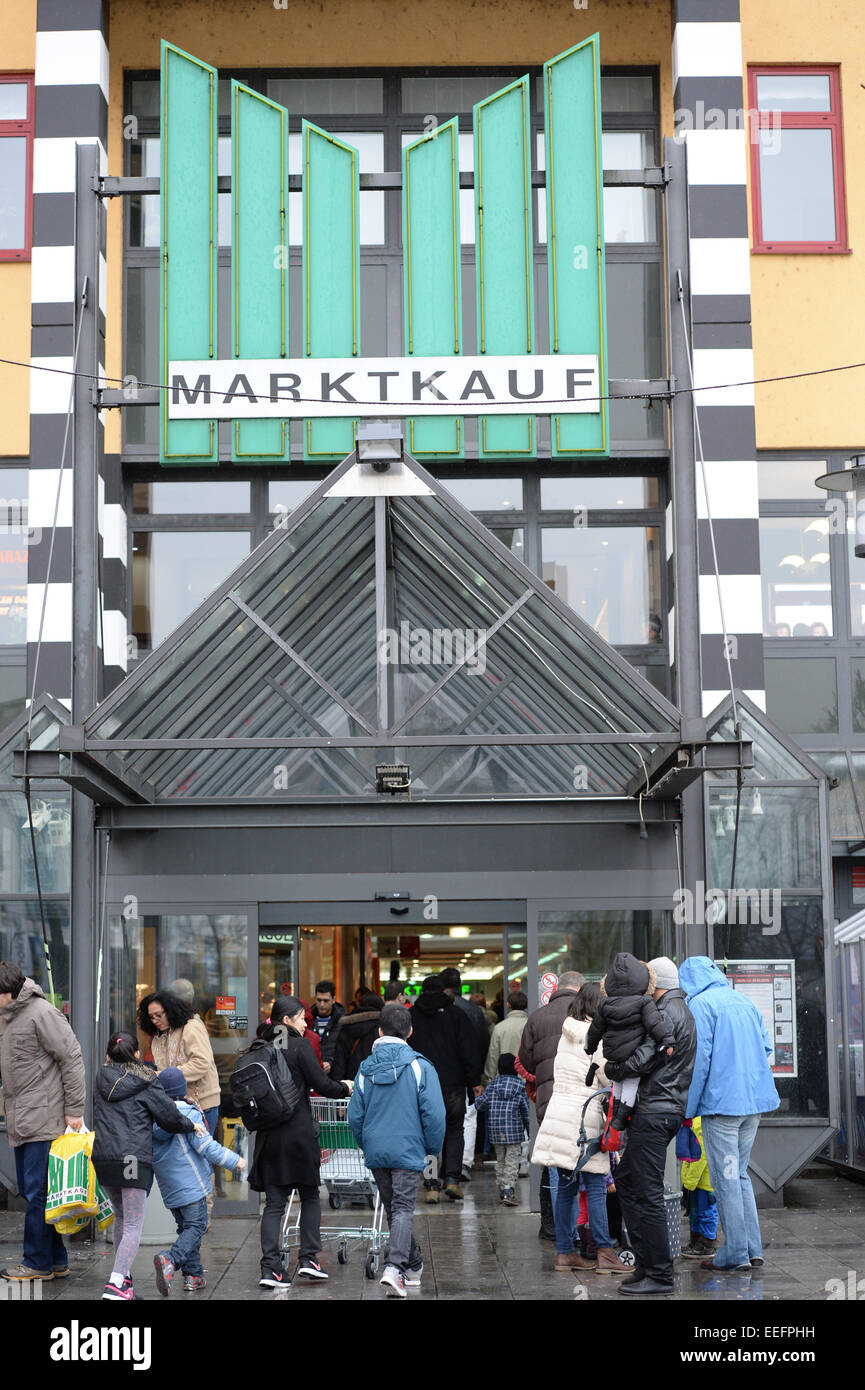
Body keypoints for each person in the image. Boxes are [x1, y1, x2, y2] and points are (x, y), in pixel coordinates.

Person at [678, 956, 780, 1274]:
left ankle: (735, 1253)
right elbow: (766, 1048)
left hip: (722, 1108)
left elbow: (700, 1062)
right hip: (753, 1104)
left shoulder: (700, 1005)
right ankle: (752, 1248)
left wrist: (688, 1108)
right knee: (740, 1176)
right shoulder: (742, 1000)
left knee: (726, 1179)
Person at [603, 956, 697, 1296]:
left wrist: (615, 1069)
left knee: (648, 1192)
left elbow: (646, 1057)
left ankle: (658, 1274)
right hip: (661, 1108)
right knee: (629, 1180)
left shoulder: (667, 1013)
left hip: (655, 1111)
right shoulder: (673, 1008)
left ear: (654, 982)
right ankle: (647, 1264)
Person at [248, 995, 351, 1287]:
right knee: (308, 1195)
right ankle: (308, 1259)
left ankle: (270, 1269)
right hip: (298, 1134)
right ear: (286, 1021)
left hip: (269, 1137)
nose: (306, 1022)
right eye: (301, 1017)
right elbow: (323, 1085)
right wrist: (345, 1087)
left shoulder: (261, 1047)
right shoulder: (300, 1046)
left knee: (274, 1205)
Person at [92, 1031, 203, 1302]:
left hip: (104, 1157)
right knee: (132, 1223)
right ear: (138, 1055)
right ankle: (116, 1283)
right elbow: (169, 1118)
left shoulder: (100, 1078)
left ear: (109, 1055)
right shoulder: (147, 1080)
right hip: (133, 1159)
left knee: (121, 1218)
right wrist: (192, 1123)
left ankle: (124, 1281)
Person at [347, 1003, 445, 1298]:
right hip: (408, 1148)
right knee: (402, 1209)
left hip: (377, 1149)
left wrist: (367, 1143)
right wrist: (432, 1149)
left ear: (379, 1032)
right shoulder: (419, 1066)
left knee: (395, 1210)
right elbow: (434, 1115)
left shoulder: (364, 1069)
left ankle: (412, 1265)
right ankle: (394, 1268)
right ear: (410, 1031)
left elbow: (355, 1116)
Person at [0, 962, 86, 1285]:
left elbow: (72, 1057)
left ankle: (35, 1262)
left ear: (8, 992)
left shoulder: (41, 1012)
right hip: (21, 1119)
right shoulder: (7, 1017)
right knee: (35, 1190)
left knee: (37, 1192)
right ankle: (56, 1260)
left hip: (45, 1118)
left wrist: (75, 1110)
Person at [531, 982, 624, 1274]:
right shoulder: (594, 1037)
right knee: (596, 1185)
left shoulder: (566, 1033)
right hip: (584, 1117)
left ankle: (564, 1253)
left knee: (567, 1187)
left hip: (559, 1114)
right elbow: (607, 1079)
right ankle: (605, 1253)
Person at [151, 1066, 245, 1295]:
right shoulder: (188, 1114)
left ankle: (193, 1276)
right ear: (182, 1090)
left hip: (170, 1188)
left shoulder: (156, 1117)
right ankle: (170, 1259)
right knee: (196, 1227)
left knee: (186, 1229)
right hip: (192, 1184)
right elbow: (206, 1146)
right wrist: (235, 1161)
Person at [517, 969, 585, 1240]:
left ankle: (561, 1234)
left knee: (556, 1163)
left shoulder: (537, 1017)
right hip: (583, 1101)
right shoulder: (587, 1016)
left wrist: (541, 1080)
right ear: (579, 990)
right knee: (586, 1165)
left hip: (549, 1101)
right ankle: (581, 1230)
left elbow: (524, 1062)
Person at [408, 974, 482, 1203]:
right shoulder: (456, 1015)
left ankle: (431, 1185)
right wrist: (474, 1082)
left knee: (427, 1135)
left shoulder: (412, 1017)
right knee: (455, 1130)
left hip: (423, 1085)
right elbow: (469, 1051)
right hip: (453, 1084)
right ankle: (451, 1180)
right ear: (443, 991)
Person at [584, 954, 675, 1130]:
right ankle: (622, 1117)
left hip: (613, 1053)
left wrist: (591, 1046)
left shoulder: (605, 1004)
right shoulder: (644, 1001)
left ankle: (615, 1113)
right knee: (630, 1084)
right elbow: (655, 1023)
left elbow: (595, 1029)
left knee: (617, 1082)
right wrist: (667, 1040)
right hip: (632, 1051)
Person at [138, 990, 220, 1138]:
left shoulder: (192, 1027)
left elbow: (201, 1063)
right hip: (177, 1104)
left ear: (170, 1010)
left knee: (202, 1154)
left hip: (202, 1102)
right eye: (151, 1017)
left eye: (159, 1015)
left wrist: (164, 1075)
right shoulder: (157, 1037)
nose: (155, 1020)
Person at [440, 967, 493, 1183]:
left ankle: (440, 1165)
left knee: (441, 1119)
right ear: (460, 985)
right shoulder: (474, 1011)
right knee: (468, 1119)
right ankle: (464, 1162)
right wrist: (476, 1075)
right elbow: (483, 1043)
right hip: (468, 1075)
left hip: (443, 1075)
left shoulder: (438, 1010)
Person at [473, 1053, 529, 1206]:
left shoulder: (492, 1085)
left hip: (496, 1132)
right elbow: (525, 1110)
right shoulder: (520, 1086)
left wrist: (478, 1096)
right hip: (514, 1132)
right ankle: (508, 1190)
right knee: (512, 1161)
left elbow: (480, 1105)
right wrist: (529, 1129)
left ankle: (502, 1188)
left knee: (500, 1160)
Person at [677, 1116, 718, 1258]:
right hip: (699, 1179)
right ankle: (697, 1243)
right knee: (697, 1212)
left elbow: (700, 1156)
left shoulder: (699, 1122)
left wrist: (689, 1181)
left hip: (703, 1180)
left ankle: (706, 1245)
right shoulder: (697, 1121)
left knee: (705, 1211)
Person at [330, 990, 385, 1082]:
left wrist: (340, 1088)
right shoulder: (383, 1030)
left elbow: (339, 1064)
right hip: (377, 1084)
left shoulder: (347, 1028)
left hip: (352, 1085)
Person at [483, 990, 529, 1085]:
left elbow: (493, 1055)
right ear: (526, 1006)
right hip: (527, 1080)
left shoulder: (499, 1028)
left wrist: (489, 1077)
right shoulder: (531, 1025)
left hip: (503, 1080)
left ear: (508, 1005)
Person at [310, 980, 346, 1073]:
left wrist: (331, 1064)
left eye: (326, 1000)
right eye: (319, 1000)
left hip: (336, 1074)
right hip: (312, 1072)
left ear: (333, 999)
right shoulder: (306, 1019)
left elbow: (345, 1051)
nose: (322, 1004)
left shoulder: (343, 1021)